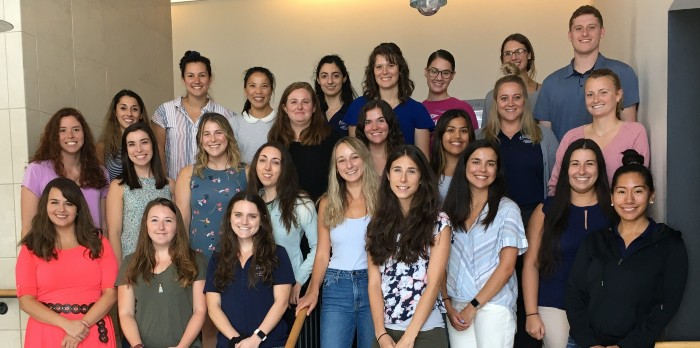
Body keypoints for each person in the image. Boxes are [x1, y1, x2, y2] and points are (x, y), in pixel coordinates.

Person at [566, 150, 688, 348]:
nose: (629, 200)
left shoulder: (669, 243)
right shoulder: (595, 241)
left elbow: (667, 305)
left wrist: (627, 346)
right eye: (622, 191)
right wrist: (589, 343)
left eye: (638, 191)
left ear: (651, 195)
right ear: (612, 197)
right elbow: (574, 294)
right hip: (584, 344)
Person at [522, 139, 615, 348]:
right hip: (555, 304)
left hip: (602, 308)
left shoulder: (614, 210)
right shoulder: (546, 210)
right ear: (565, 169)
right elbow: (531, 265)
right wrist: (531, 313)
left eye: (589, 163)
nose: (582, 170)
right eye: (575, 164)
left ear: (599, 168)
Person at [440, 139, 528, 347]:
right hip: (457, 305)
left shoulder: (508, 209)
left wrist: (473, 307)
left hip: (493, 306)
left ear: (497, 170)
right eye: (476, 162)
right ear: (465, 166)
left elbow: (507, 267)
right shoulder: (449, 211)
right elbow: (440, 263)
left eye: (490, 163)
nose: (483, 169)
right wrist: (447, 304)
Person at [297, 137, 379, 348]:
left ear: (365, 159)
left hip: (375, 285)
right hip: (336, 285)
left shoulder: (383, 198)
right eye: (341, 160)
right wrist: (313, 289)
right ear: (335, 167)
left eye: (354, 157)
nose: (349, 165)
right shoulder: (327, 202)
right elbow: (323, 253)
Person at [16, 177, 118, 347]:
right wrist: (67, 326)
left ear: (78, 208)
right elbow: (26, 300)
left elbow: (110, 294)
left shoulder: (99, 243)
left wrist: (80, 328)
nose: (61, 209)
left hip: (91, 330)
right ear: (45, 207)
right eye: (54, 202)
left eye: (69, 203)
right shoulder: (31, 247)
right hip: (46, 332)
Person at [367, 145, 451, 347]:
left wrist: (409, 337)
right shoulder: (377, 223)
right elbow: (374, 283)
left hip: (425, 331)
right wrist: (380, 333)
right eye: (397, 170)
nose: (403, 179)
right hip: (385, 332)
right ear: (388, 175)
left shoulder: (438, 222)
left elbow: (433, 284)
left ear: (421, 178)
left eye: (411, 171)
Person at [535, 5, 640, 140]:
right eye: (578, 28)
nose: (585, 33)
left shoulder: (623, 73)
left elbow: (629, 131)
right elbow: (546, 141)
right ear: (570, 35)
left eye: (591, 27)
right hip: (564, 160)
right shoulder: (550, 83)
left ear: (602, 32)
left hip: (610, 161)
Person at [204, 192, 294, 348]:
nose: (244, 222)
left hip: (270, 343)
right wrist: (237, 340)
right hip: (231, 344)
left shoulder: (277, 254)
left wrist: (256, 338)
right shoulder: (217, 258)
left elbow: (282, 302)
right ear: (229, 218)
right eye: (238, 215)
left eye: (252, 216)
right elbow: (213, 307)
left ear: (262, 220)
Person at [117, 198, 207, 348]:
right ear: (145, 225)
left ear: (177, 226)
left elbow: (200, 310)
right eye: (154, 220)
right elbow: (126, 313)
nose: (161, 227)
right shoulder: (130, 262)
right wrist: (137, 345)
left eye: (168, 221)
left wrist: (182, 347)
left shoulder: (196, 261)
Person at [548, 69, 649, 195]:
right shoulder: (571, 137)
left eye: (603, 93)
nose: (596, 100)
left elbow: (640, 183)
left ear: (618, 95)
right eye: (590, 94)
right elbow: (556, 185)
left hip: (621, 212)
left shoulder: (635, 133)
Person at [478, 67, 558, 223]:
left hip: (536, 217)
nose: (510, 103)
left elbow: (556, 181)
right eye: (504, 98)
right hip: (492, 216)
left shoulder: (544, 137)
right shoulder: (479, 137)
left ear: (524, 101)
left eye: (516, 97)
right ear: (495, 102)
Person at [247, 142, 318, 310]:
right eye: (263, 160)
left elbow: (318, 247)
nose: (268, 167)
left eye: (275, 162)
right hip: (254, 290)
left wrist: (299, 280)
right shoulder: (249, 202)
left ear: (284, 168)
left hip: (287, 287)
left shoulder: (301, 203)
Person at [21, 107, 109, 237]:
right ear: (54, 136)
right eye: (62, 130)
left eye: (76, 129)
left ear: (84, 134)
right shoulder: (37, 170)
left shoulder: (100, 172)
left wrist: (105, 254)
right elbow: (28, 227)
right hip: (51, 251)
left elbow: (104, 224)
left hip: (92, 251)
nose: (70, 135)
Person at [175, 112, 247, 259]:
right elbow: (182, 222)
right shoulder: (188, 174)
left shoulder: (246, 172)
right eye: (206, 134)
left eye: (218, 132)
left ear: (228, 136)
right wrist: (183, 259)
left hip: (238, 256)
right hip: (198, 257)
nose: (213, 139)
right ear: (200, 140)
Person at [152, 50, 235, 179]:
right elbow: (158, 151)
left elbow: (231, 155)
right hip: (173, 190)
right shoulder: (164, 111)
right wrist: (165, 185)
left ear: (210, 78)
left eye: (202, 75)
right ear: (183, 79)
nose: (196, 81)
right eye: (190, 75)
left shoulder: (227, 116)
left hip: (211, 192)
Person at [344, 43, 434, 157]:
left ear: (400, 70)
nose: (385, 72)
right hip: (368, 174)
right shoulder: (357, 107)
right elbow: (355, 156)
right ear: (373, 71)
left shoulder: (417, 110)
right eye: (379, 67)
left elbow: (423, 161)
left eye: (391, 65)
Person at [106, 123, 173, 261]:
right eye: (131, 144)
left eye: (144, 142)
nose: (139, 149)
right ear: (126, 151)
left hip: (165, 263)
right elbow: (114, 233)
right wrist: (120, 274)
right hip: (131, 263)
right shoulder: (118, 186)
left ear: (153, 145)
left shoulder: (170, 185)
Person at [268, 81, 341, 201]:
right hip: (286, 209)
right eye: (294, 102)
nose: (299, 107)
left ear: (314, 108)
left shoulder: (332, 138)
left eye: (305, 102)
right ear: (285, 108)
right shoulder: (275, 140)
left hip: (324, 209)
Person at [483, 34, 541, 127]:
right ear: (502, 59)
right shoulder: (491, 97)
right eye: (508, 53)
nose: (513, 57)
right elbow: (486, 135)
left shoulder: (544, 92)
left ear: (529, 55)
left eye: (519, 51)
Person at [97, 89, 149, 181]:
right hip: (113, 194)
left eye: (134, 109)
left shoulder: (149, 144)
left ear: (141, 114)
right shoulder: (103, 146)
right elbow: (101, 184)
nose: (129, 114)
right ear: (115, 112)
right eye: (123, 108)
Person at [230, 67, 277, 164]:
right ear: (245, 90)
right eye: (253, 86)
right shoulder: (233, 123)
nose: (258, 91)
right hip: (243, 178)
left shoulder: (283, 120)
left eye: (264, 86)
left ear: (271, 90)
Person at [422, 49, 478, 129]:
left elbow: (474, 141)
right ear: (426, 72)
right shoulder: (417, 109)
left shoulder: (463, 108)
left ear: (452, 75)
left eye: (445, 73)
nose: (439, 78)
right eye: (434, 71)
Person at [430, 109, 475, 201]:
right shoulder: (428, 173)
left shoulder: (478, 172)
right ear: (440, 135)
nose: (457, 136)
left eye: (463, 131)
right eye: (450, 130)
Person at [355, 99, 405, 174]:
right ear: (362, 128)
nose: (374, 127)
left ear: (390, 124)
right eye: (368, 122)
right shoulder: (355, 159)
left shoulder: (404, 156)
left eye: (380, 121)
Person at [314, 54, 357, 135]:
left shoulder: (353, 110)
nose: (330, 81)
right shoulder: (312, 110)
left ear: (344, 78)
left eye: (336, 76)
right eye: (324, 76)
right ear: (318, 80)